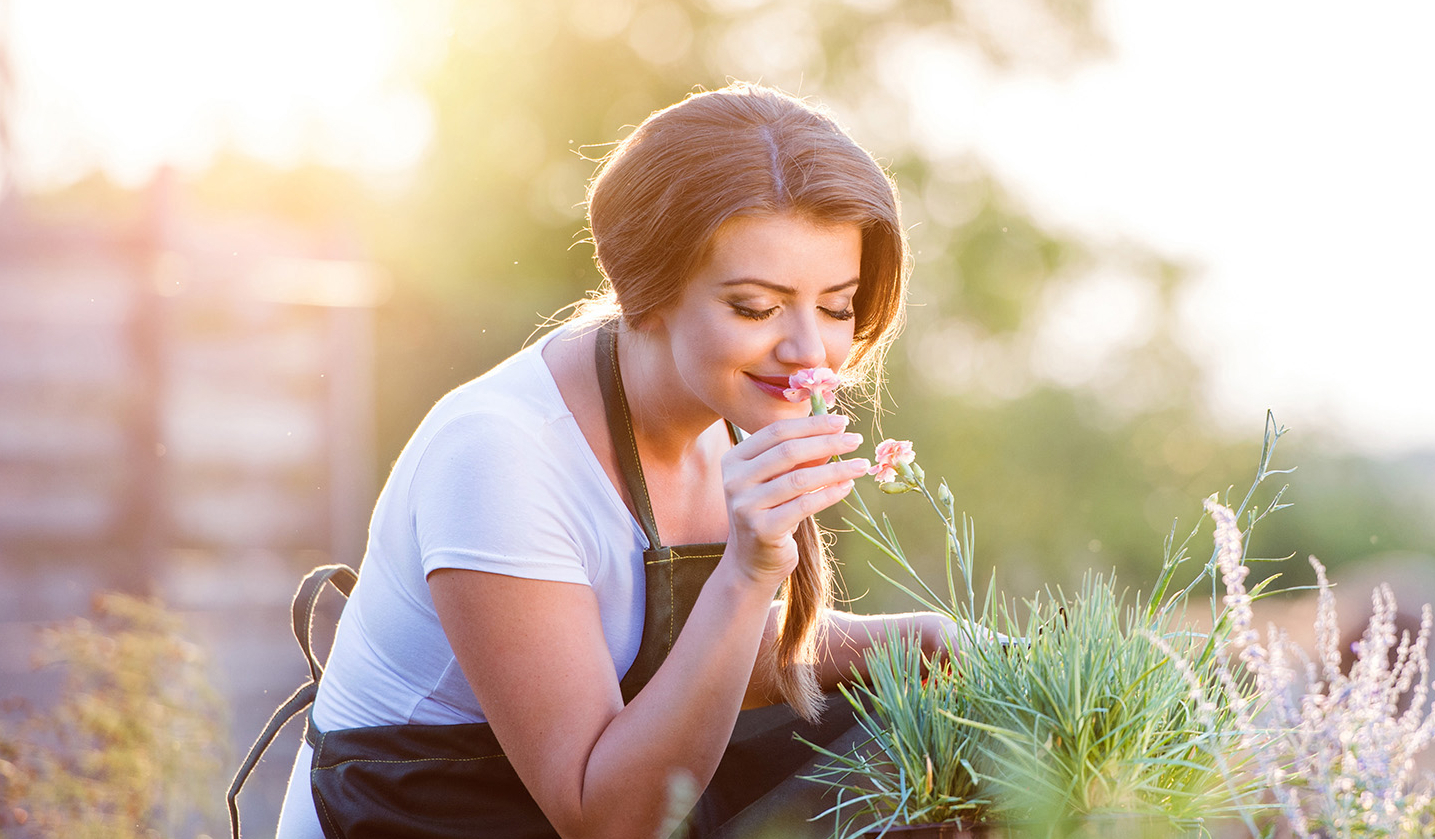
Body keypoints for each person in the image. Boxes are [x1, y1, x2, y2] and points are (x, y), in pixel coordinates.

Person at [263, 83, 952, 839]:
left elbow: (684, 652)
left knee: (940, 754)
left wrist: (925, 636)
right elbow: (608, 820)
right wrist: (749, 568)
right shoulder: (500, 455)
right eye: (755, 307)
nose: (806, 350)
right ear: (646, 288)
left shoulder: (720, 410)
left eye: (836, 305)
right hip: (425, 818)